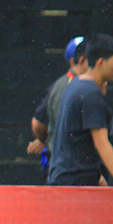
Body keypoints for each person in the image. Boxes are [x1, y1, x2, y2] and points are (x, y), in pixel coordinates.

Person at [47, 34, 113, 187]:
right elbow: (101, 143)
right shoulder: (90, 94)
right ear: (100, 62)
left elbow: (73, 140)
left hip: (64, 179)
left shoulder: (75, 85)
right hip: (76, 185)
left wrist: (98, 178)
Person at [27, 36, 89, 173]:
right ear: (76, 61)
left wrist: (46, 139)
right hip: (71, 166)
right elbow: (38, 123)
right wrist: (48, 139)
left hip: (68, 165)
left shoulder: (64, 86)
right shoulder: (69, 87)